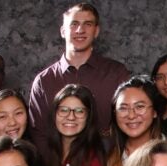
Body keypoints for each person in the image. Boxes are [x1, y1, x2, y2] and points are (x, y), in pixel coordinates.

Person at [28, 2, 130, 147]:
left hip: (108, 165)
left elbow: (127, 124)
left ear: (96, 31)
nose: (80, 30)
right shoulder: (44, 81)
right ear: (63, 31)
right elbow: (39, 134)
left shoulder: (116, 74)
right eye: (74, 24)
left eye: (87, 24)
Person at [105, 75, 164, 166]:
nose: (131, 115)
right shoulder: (107, 152)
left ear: (154, 112)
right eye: (123, 108)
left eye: (140, 106)